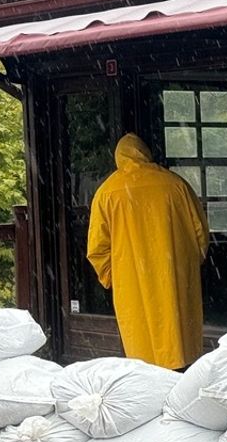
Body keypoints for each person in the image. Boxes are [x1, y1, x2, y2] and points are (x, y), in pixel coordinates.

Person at [87, 133, 209, 369]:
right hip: (174, 274)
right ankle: (181, 380)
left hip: (131, 281)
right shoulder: (176, 185)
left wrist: (114, 276)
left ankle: (147, 386)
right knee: (178, 337)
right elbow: (200, 234)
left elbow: (97, 248)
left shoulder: (107, 192)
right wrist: (189, 263)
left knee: (141, 346)